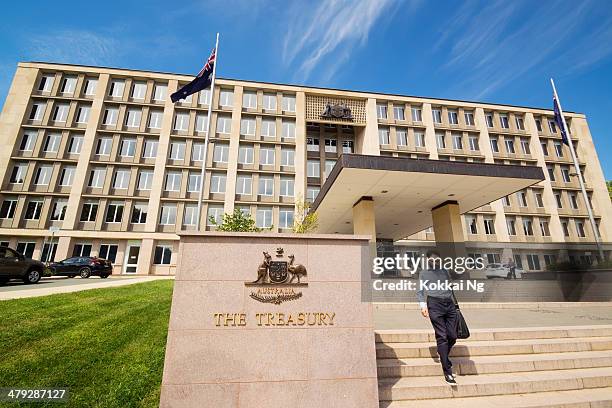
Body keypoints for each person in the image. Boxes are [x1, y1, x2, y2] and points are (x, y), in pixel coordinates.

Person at [416, 250, 458, 384]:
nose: (435, 262)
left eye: (437, 260)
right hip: (434, 304)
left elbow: (449, 284)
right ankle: (447, 371)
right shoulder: (424, 273)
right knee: (442, 336)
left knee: (452, 336)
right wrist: (423, 306)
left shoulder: (445, 270)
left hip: (449, 304)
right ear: (428, 260)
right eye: (432, 260)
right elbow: (420, 291)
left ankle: (443, 354)